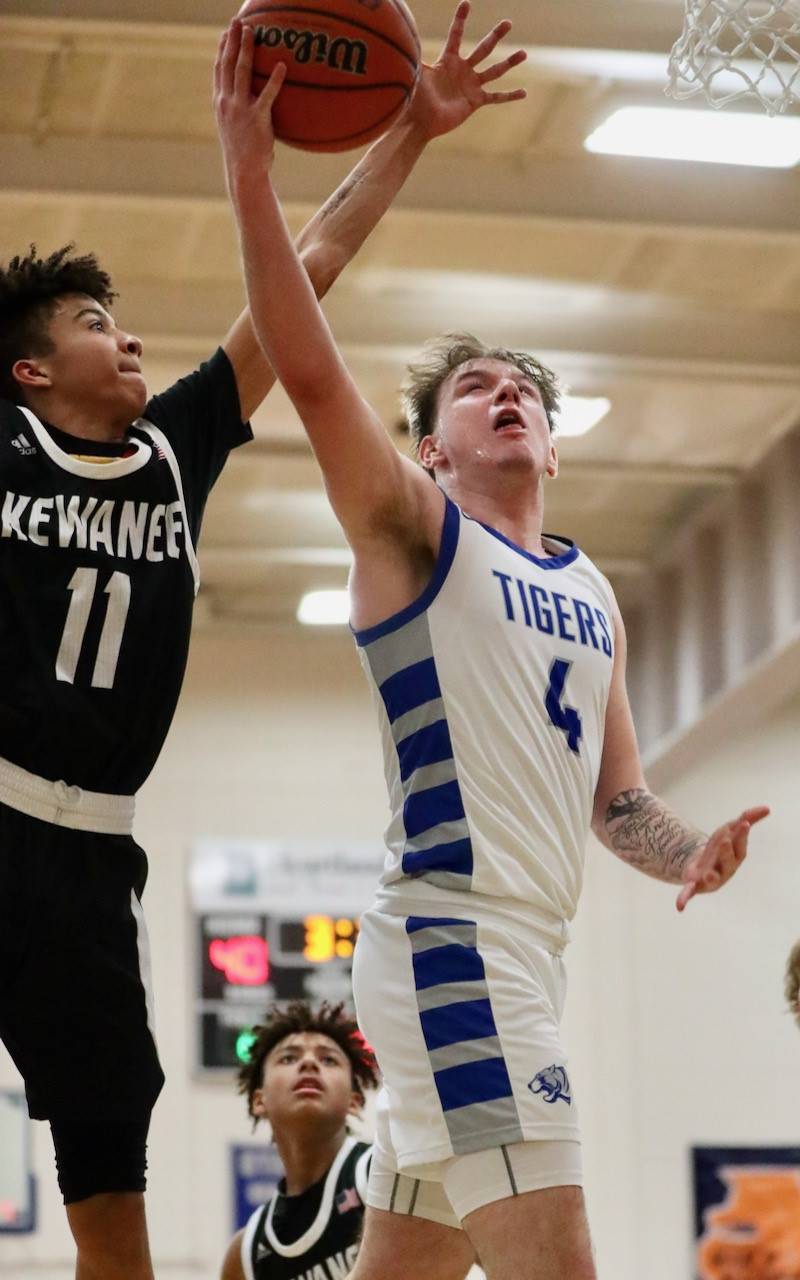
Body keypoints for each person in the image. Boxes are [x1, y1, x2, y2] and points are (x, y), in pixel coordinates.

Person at [213, 12, 771, 1277]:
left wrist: (694, 851)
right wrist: (257, 167)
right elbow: (301, 368)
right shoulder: (416, 534)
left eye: (525, 384)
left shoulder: (590, 586)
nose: (506, 389)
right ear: (432, 448)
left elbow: (615, 800)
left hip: (524, 947)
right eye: (474, 387)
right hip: (454, 942)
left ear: (555, 446)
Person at [0, 10, 526, 1277]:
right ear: (24, 370)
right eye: (89, 319)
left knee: (109, 1206)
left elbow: (318, 252)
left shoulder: (175, 447)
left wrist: (410, 124)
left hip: (91, 861)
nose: (123, 334)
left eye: (120, 316)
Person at [223, 1000, 472, 1280]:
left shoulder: (386, 1170)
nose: (308, 1063)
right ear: (259, 1100)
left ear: (354, 1101)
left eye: (328, 1059)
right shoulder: (246, 1252)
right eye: (288, 1058)